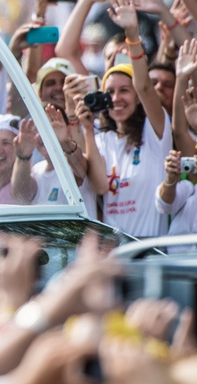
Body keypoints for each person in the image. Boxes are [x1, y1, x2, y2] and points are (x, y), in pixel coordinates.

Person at [75, 1, 171, 238]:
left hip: (151, 249)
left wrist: (131, 33)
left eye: (124, 91)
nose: (116, 98)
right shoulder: (102, 139)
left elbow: (145, 87)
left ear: (138, 97)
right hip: (114, 254)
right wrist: (87, 129)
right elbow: (99, 187)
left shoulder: (155, 130)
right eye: (110, 92)